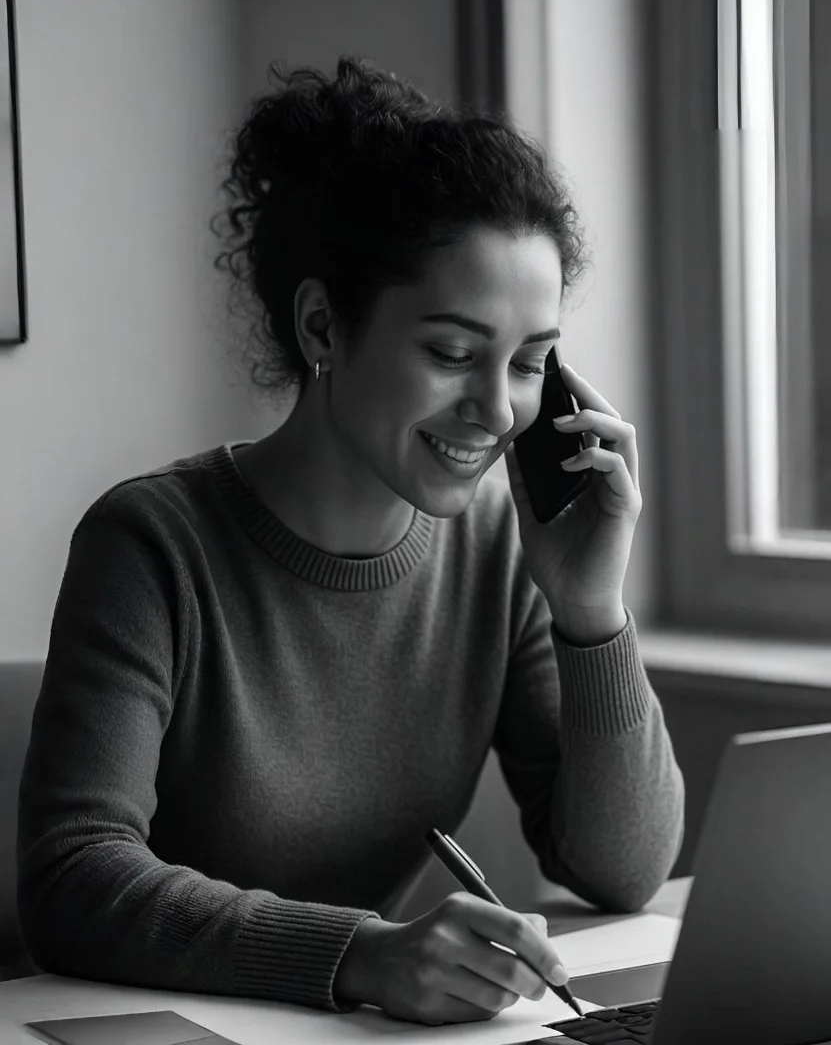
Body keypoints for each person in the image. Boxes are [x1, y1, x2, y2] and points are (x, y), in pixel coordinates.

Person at [17, 55, 684, 1027]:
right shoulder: (150, 544)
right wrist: (362, 955)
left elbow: (623, 872)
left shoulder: (500, 549)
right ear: (324, 326)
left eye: (532, 363)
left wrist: (591, 612)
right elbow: (71, 880)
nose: (498, 409)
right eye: (452, 353)